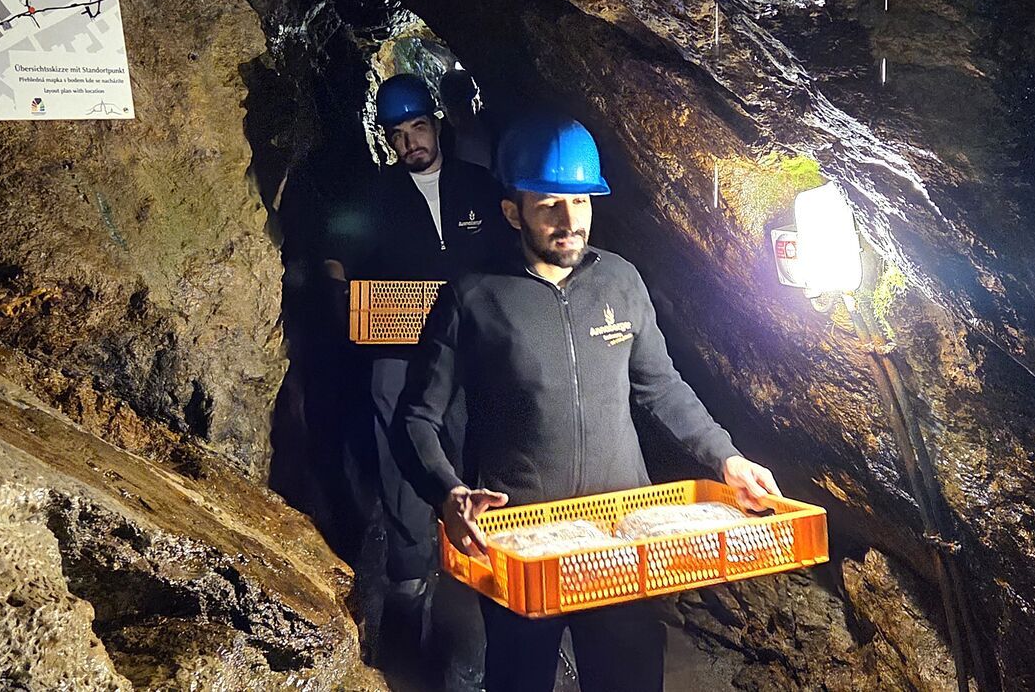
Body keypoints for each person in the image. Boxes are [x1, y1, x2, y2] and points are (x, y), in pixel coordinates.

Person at [390, 113, 781, 692]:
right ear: (511, 210)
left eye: (582, 202)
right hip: (520, 538)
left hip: (621, 535)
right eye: (548, 204)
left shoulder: (621, 282)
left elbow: (661, 385)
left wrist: (726, 458)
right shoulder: (473, 296)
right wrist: (447, 492)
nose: (569, 221)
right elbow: (416, 418)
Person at [323, 73, 509, 686]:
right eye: (398, 135)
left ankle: (477, 569)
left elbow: (512, 255)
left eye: (418, 128)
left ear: (437, 123)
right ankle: (407, 580)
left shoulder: (477, 186)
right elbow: (338, 246)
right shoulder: (376, 193)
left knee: (471, 455)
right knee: (401, 453)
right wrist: (336, 277)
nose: (411, 144)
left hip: (469, 352)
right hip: (397, 346)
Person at [438, 68, 494, 171]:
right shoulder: (442, 139)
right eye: (454, 110)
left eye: (464, 108)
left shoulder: (492, 125)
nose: (459, 117)